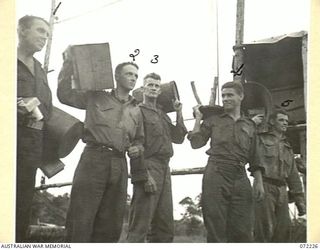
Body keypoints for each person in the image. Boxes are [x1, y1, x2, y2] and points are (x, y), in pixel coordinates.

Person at [57, 61, 147, 242]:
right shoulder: (95, 97)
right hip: (94, 158)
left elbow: (139, 139)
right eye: (129, 74)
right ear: (116, 77)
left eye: (136, 76)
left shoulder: (136, 109)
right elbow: (65, 95)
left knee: (111, 222)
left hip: (120, 164)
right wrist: (68, 64)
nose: (133, 78)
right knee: (81, 218)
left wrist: (138, 147)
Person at [188, 81, 264, 242]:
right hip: (217, 172)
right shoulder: (214, 120)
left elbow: (255, 156)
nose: (225, 98)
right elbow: (196, 143)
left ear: (241, 96)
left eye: (230, 95)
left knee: (243, 229)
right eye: (223, 95)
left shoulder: (249, 125)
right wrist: (198, 119)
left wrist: (258, 181)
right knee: (216, 227)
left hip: (240, 175)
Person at [126, 73, 187, 242]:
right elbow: (134, 144)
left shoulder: (163, 114)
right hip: (148, 166)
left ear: (160, 91)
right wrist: (144, 175)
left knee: (164, 225)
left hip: (165, 168)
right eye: (150, 85)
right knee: (140, 225)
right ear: (143, 89)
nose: (153, 88)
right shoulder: (137, 111)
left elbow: (179, 138)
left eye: (157, 86)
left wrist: (179, 112)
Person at [16, 15, 52, 242]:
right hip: (9, 141)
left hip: (31, 148)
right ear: (21, 30)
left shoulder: (40, 68)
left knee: (22, 207)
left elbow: (47, 108)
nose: (44, 38)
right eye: (40, 31)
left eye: (47, 34)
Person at [253, 109, 306, 242]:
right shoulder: (261, 138)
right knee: (264, 230)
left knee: (283, 230)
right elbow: (255, 161)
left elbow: (293, 175)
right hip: (265, 186)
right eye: (281, 120)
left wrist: (300, 202)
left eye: (286, 121)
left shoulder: (287, 146)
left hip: (282, 190)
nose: (285, 123)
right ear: (271, 121)